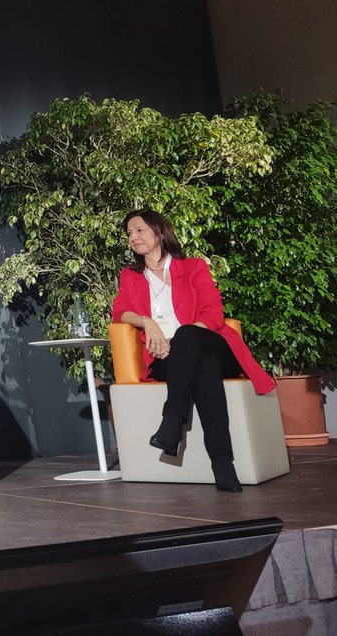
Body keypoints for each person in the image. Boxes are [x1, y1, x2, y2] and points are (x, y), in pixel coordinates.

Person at [111, 209, 275, 493]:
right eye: (129, 233)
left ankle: (172, 421)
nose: (133, 237)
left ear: (159, 232)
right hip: (169, 359)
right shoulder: (130, 276)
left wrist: (181, 341)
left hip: (210, 341)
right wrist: (146, 321)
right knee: (204, 366)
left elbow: (213, 313)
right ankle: (222, 464)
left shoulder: (194, 267)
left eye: (139, 230)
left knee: (190, 338)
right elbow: (119, 311)